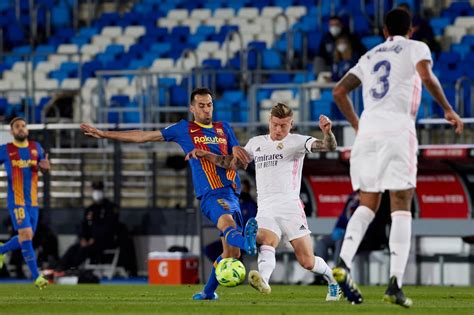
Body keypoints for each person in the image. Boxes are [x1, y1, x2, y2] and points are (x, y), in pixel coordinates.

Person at [332, 8, 464, 307]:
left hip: (367, 134)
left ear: (383, 32)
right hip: (397, 130)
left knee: (367, 204)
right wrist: (447, 108)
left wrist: (358, 125)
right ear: (412, 30)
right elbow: (426, 76)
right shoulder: (415, 47)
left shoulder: (369, 56)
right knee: (401, 205)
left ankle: (342, 260)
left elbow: (339, 92)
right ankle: (395, 283)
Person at [80, 87, 257, 300]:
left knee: (231, 254)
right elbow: (144, 136)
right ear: (192, 108)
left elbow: (233, 164)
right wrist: (103, 133)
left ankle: (208, 292)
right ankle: (248, 242)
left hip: (232, 193)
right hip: (211, 193)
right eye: (201, 105)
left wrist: (207, 153)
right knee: (226, 224)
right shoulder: (184, 129)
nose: (206, 110)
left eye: (209, 105)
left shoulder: (224, 128)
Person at [186, 103, 342, 301]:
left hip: (290, 208)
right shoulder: (256, 143)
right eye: (275, 124)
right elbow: (231, 164)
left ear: (291, 124)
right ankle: (264, 281)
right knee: (266, 240)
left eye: (283, 126)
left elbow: (328, 146)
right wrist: (206, 154)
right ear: (269, 121)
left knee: (307, 261)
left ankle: (332, 281)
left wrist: (327, 133)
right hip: (266, 207)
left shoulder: (297, 141)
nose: (278, 130)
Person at [0, 117, 51, 289]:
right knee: (27, 235)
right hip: (16, 201)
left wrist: (45, 167)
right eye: (17, 127)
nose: (21, 129)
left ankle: (1, 250)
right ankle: (37, 277)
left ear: (27, 130)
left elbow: (44, 168)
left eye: (23, 126)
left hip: (33, 203)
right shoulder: (5, 150)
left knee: (25, 238)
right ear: (12, 132)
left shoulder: (36, 148)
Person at [56, 181, 119, 272]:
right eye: (95, 190)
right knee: (73, 248)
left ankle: (71, 269)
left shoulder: (110, 208)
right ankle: (59, 268)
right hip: (88, 241)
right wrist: (82, 238)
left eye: (99, 190)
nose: (97, 193)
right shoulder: (90, 209)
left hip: (104, 241)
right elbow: (84, 225)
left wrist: (94, 239)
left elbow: (110, 227)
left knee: (84, 249)